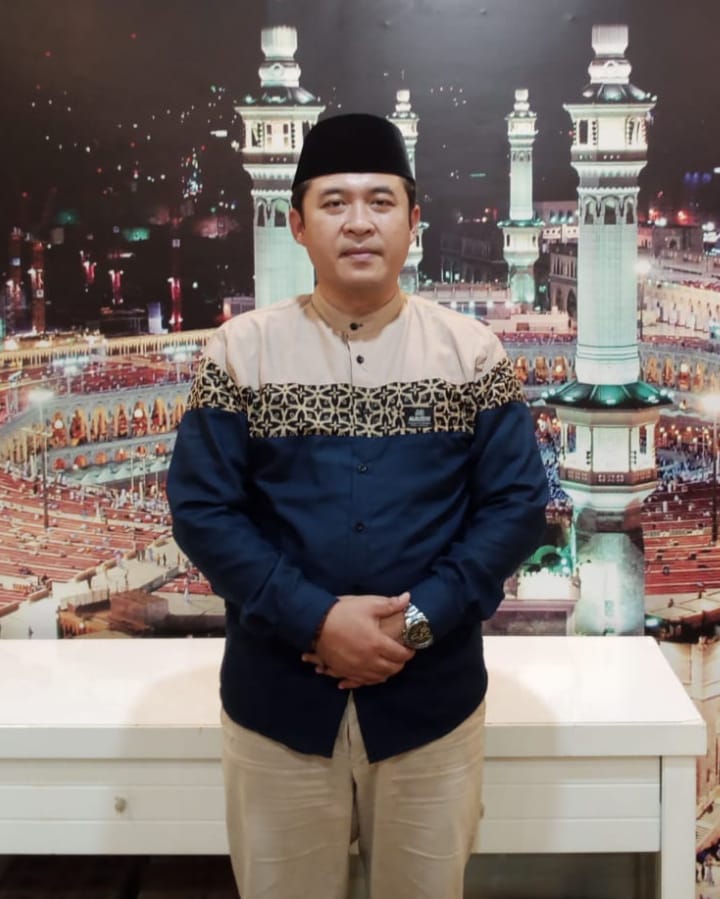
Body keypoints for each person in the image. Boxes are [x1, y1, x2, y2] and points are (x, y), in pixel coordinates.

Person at [167, 112, 548, 899]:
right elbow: (204, 510)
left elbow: (516, 507)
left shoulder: (472, 354)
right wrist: (315, 620)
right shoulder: (239, 352)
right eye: (335, 202)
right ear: (297, 224)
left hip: (428, 708)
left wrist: (417, 621)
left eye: (381, 200)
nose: (360, 222)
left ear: (414, 220)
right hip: (280, 710)